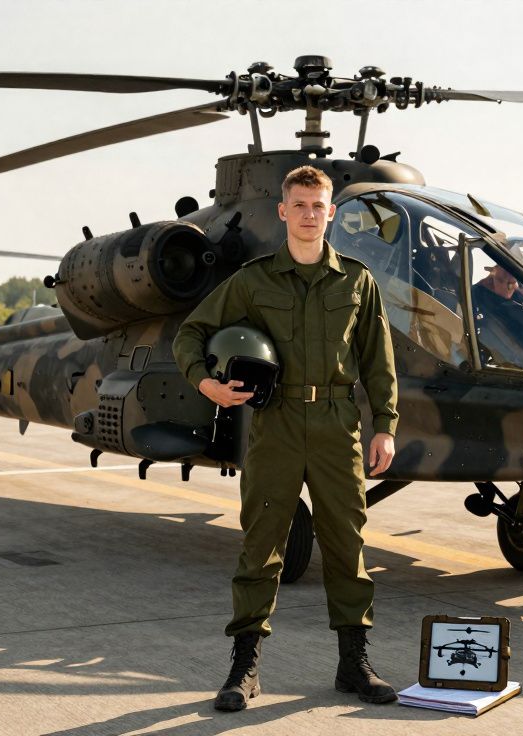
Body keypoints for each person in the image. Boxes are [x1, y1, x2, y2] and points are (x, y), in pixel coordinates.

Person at [173, 165, 399, 711]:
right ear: (282, 211)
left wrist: (386, 427)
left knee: (347, 546)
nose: (308, 214)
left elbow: (378, 361)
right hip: (274, 424)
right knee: (262, 545)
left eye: (317, 206)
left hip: (337, 426)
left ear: (331, 214)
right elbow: (191, 332)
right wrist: (206, 383)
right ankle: (245, 668)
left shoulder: (356, 280)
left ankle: (353, 664)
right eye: (298, 205)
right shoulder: (254, 280)